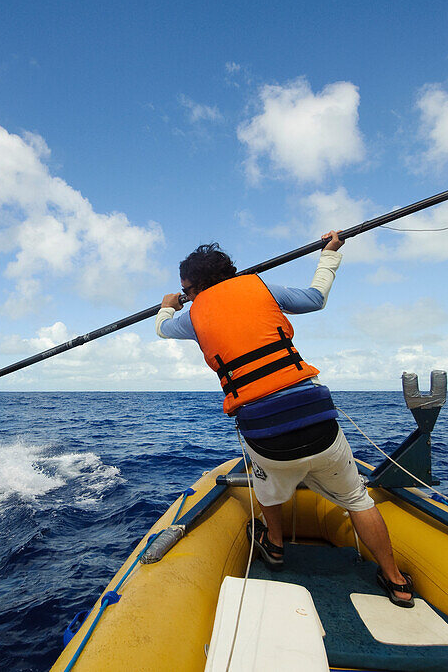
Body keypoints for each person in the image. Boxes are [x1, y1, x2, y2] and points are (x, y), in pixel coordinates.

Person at [155, 232, 416, 607]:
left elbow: (162, 328)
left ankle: (274, 547)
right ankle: (396, 582)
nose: (187, 295)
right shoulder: (261, 287)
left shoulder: (193, 314)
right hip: (318, 420)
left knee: (267, 486)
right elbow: (317, 298)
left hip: (266, 434)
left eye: (188, 289)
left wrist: (168, 306)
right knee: (357, 498)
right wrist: (329, 254)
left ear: (195, 288)